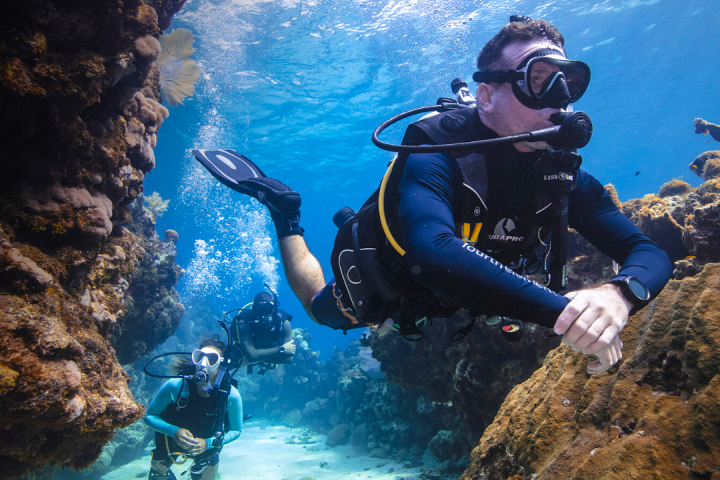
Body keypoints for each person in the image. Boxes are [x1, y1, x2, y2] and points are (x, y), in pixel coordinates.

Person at [195, 17, 672, 375]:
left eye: (572, 82)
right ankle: (285, 214)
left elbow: (646, 251)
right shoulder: (436, 149)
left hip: (470, 290)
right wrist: (572, 318)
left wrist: (619, 294)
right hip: (391, 281)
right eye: (540, 80)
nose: (561, 99)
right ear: (486, 97)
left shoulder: (561, 177)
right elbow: (433, 250)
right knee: (320, 310)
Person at [144, 338, 242, 480]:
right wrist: (173, 431)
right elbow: (148, 416)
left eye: (211, 360)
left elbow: (236, 430)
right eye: (200, 357)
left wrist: (208, 443)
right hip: (170, 441)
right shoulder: (175, 385)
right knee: (159, 469)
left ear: (222, 365)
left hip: (207, 446)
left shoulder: (230, 395)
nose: (203, 364)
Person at [231, 291, 296, 372]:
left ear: (273, 309)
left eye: (267, 308)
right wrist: (281, 349)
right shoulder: (243, 321)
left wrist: (253, 358)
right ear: (254, 309)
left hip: (249, 357)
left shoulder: (283, 322)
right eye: (259, 308)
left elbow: (288, 359)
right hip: (241, 356)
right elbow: (251, 355)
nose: (263, 313)